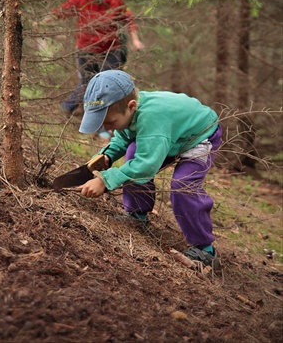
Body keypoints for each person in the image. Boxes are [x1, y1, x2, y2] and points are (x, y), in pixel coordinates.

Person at [77, 70, 222, 268]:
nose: (108, 129)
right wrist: (108, 155)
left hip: (199, 136)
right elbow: (124, 135)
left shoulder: (151, 118)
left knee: (184, 185)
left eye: (110, 123)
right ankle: (137, 215)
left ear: (131, 106)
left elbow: (146, 165)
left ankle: (205, 248)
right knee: (133, 151)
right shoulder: (131, 113)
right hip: (167, 133)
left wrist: (105, 180)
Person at [50, 0, 144, 141]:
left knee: (110, 87)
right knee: (88, 85)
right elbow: (63, 10)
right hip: (86, 48)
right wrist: (42, 22)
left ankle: (109, 126)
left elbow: (128, 17)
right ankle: (92, 123)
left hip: (110, 49)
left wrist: (135, 39)